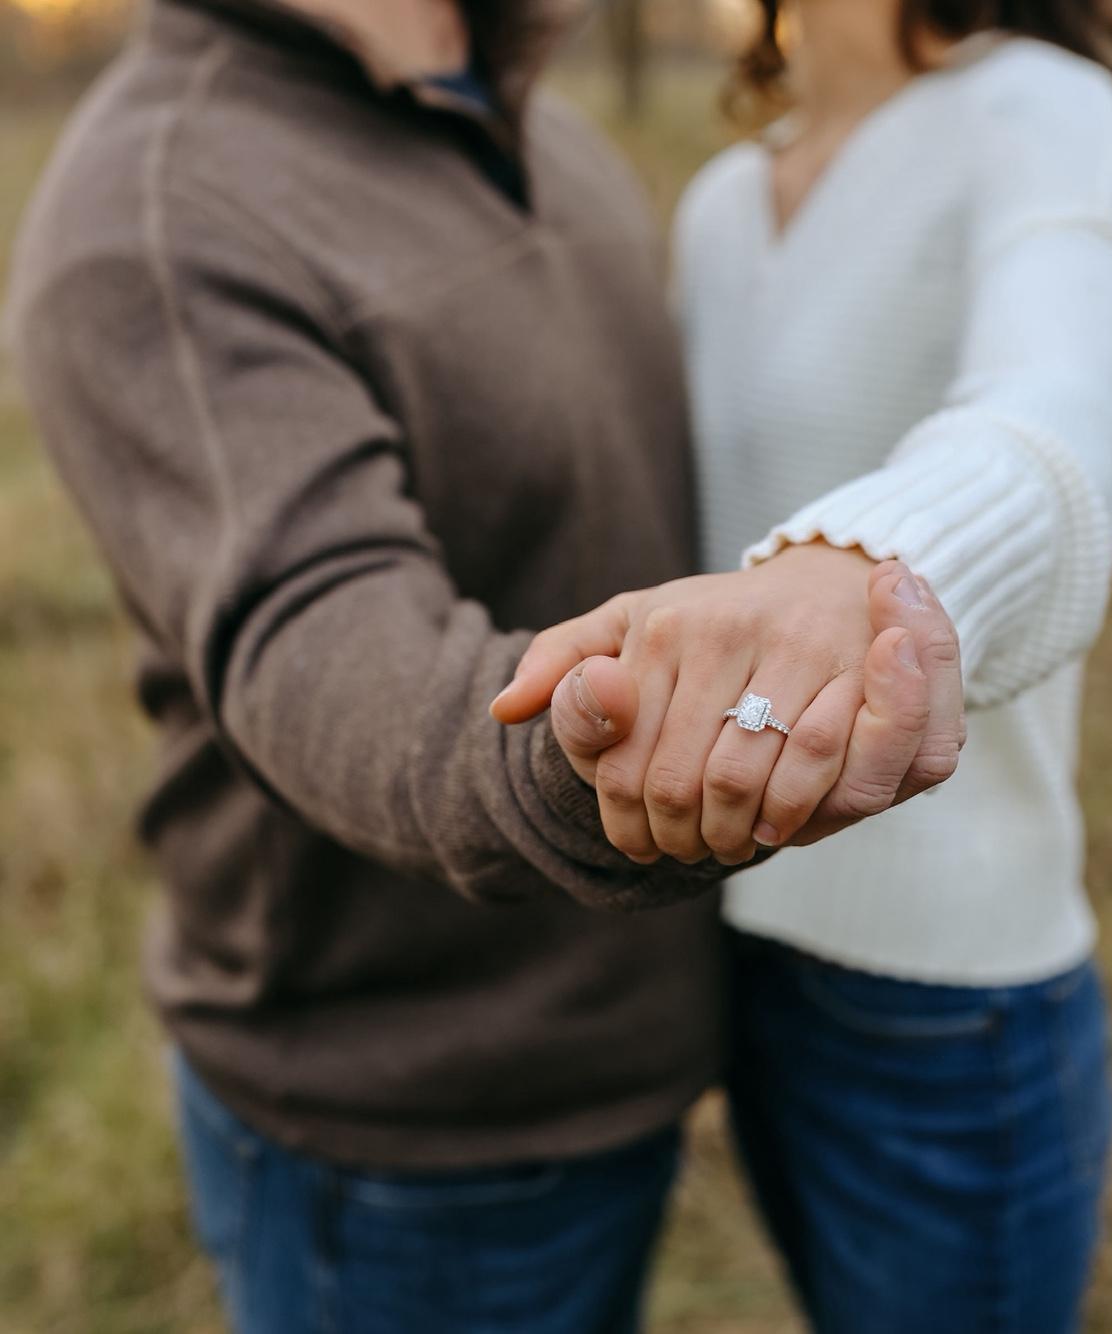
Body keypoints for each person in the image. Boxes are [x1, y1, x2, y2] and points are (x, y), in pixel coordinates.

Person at [2, 1, 966, 1331]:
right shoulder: (155, 214)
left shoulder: (552, 132)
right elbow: (328, 640)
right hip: (401, 1141)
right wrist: (619, 743)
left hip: (640, 1047)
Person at [505, 0, 1112, 1329]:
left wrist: (862, 566)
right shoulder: (722, 203)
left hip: (951, 1007)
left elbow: (1049, 418)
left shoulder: (1037, 108)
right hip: (735, 954)